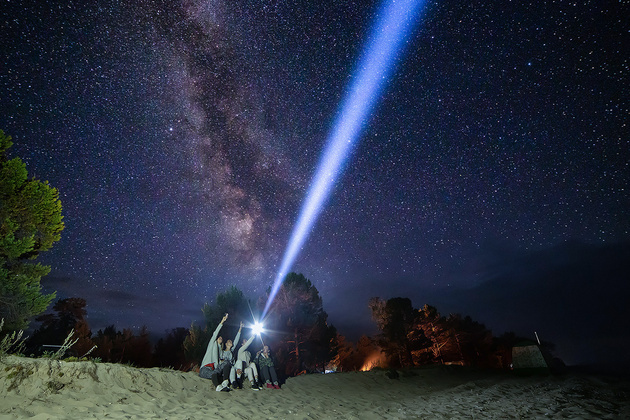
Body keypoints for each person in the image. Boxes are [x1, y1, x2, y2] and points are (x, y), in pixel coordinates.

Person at [199, 313, 229, 391]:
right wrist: (222, 321)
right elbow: (215, 333)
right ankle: (218, 387)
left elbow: (222, 362)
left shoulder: (220, 351)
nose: (220, 338)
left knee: (227, 363)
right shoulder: (212, 344)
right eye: (219, 337)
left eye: (221, 338)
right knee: (214, 374)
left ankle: (225, 382)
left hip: (214, 370)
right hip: (205, 369)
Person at [217, 321, 242, 389]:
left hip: (232, 366)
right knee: (232, 369)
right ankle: (233, 382)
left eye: (231, 341)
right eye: (229, 341)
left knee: (239, 361)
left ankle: (239, 378)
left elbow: (236, 340)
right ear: (226, 344)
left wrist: (240, 328)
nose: (230, 341)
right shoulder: (222, 352)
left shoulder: (232, 350)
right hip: (226, 368)